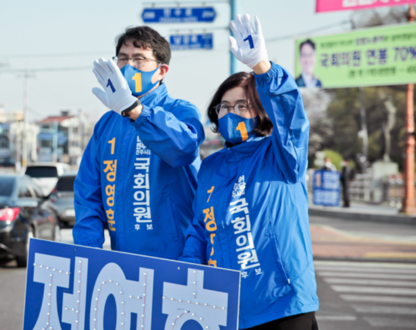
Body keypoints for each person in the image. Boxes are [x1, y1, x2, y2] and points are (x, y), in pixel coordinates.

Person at [180, 14, 319, 329]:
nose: (232, 113)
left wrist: (263, 69)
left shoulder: (281, 154)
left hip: (284, 305)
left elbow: (292, 121)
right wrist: (189, 272)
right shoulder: (211, 166)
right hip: (229, 308)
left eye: (242, 106)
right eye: (225, 107)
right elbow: (201, 228)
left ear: (261, 112)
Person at [73, 26, 205, 260]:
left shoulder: (180, 111)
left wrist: (135, 111)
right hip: (124, 264)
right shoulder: (106, 124)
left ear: (161, 71)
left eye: (139, 59)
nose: (128, 66)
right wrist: (89, 252)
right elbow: (87, 193)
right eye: (123, 58)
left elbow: (183, 150)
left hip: (177, 261)